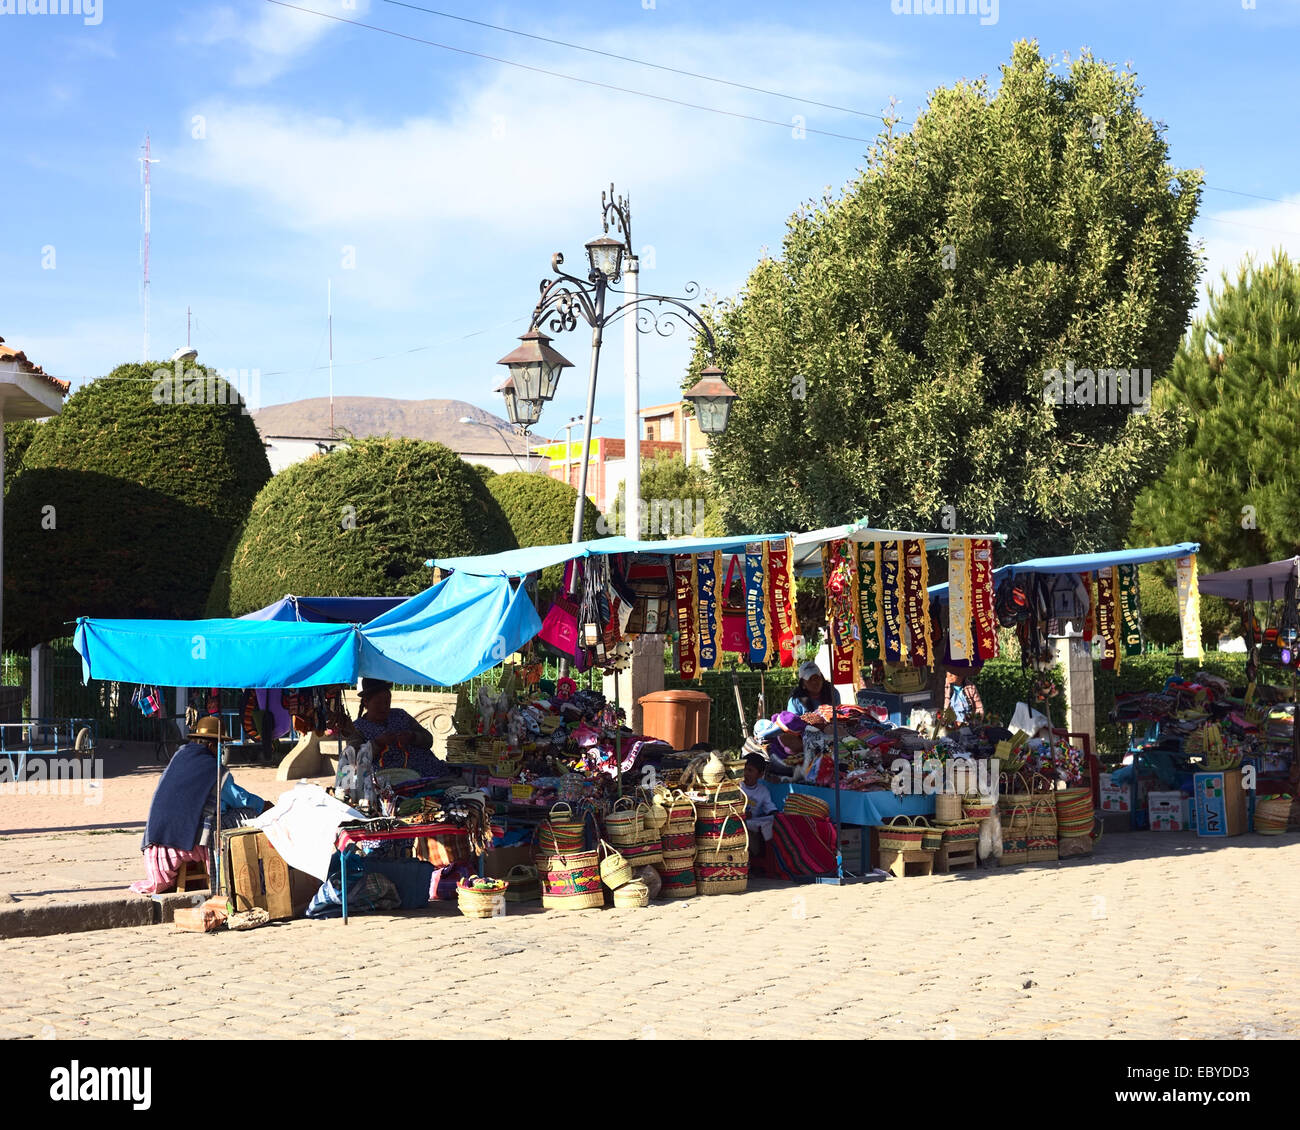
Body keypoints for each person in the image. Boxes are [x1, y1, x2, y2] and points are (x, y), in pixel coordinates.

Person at [130, 716, 266, 895]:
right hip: (179, 849)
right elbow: (242, 799)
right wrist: (264, 805)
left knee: (218, 809)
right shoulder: (214, 770)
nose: (221, 750)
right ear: (212, 746)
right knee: (248, 815)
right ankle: (243, 878)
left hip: (155, 854)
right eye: (220, 746)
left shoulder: (179, 757)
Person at [346, 677, 445, 780]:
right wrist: (378, 743)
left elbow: (429, 740)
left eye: (387, 702)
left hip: (430, 771)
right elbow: (354, 761)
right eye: (378, 703)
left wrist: (413, 736)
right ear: (366, 702)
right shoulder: (357, 728)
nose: (384, 707)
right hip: (389, 781)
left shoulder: (400, 715)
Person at [739, 752, 778, 847]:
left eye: (750, 770)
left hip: (752, 823)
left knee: (770, 822)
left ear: (760, 775)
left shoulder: (763, 791)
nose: (745, 773)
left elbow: (771, 810)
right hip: (737, 821)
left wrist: (780, 818)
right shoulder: (737, 786)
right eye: (744, 769)